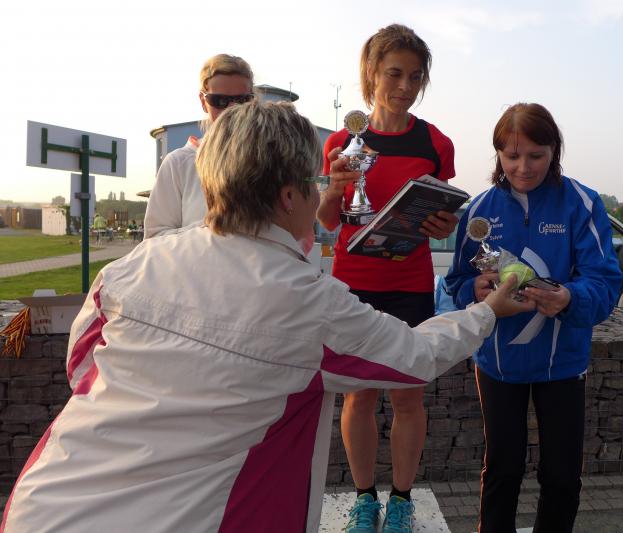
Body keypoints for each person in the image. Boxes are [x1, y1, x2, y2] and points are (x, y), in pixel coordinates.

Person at [1, 101, 537, 533]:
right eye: (314, 181)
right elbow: (417, 356)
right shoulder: (306, 300)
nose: (321, 193)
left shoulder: (134, 264)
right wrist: (487, 310)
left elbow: (81, 368)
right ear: (287, 196)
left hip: (44, 504)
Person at [445, 103, 623, 532]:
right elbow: (456, 282)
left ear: (554, 151)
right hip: (498, 363)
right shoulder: (478, 210)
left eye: (536, 155)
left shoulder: (582, 204)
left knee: (561, 475)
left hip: (562, 364)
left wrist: (569, 297)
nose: (523, 168)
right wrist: (474, 290)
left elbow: (605, 281)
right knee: (502, 469)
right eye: (511, 156)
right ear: (497, 155)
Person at [316, 24, 459, 533]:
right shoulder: (341, 142)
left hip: (411, 282)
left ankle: (400, 500)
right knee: (358, 395)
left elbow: (441, 214)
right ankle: (363, 500)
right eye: (394, 73)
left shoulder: (435, 142)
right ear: (371, 73)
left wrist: (444, 225)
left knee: (407, 395)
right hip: (353, 282)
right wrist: (335, 188)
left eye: (415, 77)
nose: (405, 86)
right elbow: (328, 221)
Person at [143, 53, 255, 239]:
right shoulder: (179, 163)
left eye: (242, 101)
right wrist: (217, 227)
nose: (232, 110)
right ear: (204, 102)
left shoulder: (271, 158)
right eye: (220, 101)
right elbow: (155, 239)